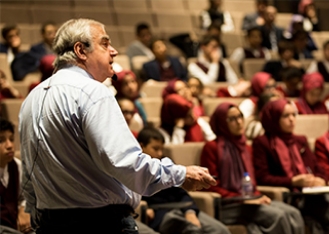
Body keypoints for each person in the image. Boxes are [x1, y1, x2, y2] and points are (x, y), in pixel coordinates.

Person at [19, 18, 216, 234]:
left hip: (51, 223)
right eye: (105, 44)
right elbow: (122, 162)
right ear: (80, 50)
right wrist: (179, 175)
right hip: (100, 223)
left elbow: (29, 171)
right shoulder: (93, 92)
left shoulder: (32, 98)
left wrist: (34, 213)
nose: (113, 51)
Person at [253, 99, 329, 234]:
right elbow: (262, 177)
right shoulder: (263, 143)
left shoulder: (300, 140)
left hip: (317, 192)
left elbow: (319, 169)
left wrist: (321, 179)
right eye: (286, 116)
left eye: (293, 115)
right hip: (296, 196)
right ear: (274, 118)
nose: (292, 119)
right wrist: (293, 181)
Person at [200, 102, 304, 234]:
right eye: (232, 119)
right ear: (221, 122)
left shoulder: (246, 147)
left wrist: (256, 196)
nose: (238, 122)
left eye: (240, 117)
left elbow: (251, 182)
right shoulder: (212, 148)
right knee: (278, 216)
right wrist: (242, 198)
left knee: (293, 213)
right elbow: (210, 185)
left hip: (248, 200)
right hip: (228, 204)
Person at [137, 127, 231, 234]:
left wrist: (190, 211)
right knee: (191, 229)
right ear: (141, 146)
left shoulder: (166, 163)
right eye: (155, 149)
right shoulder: (135, 169)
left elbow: (181, 192)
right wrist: (144, 209)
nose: (159, 153)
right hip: (159, 213)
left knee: (220, 230)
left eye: (161, 149)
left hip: (181, 208)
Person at [0, 118, 33, 234]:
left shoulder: (17, 166)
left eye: (12, 139)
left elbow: (24, 196)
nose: (9, 145)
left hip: (14, 227)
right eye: (1, 140)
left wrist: (23, 209)